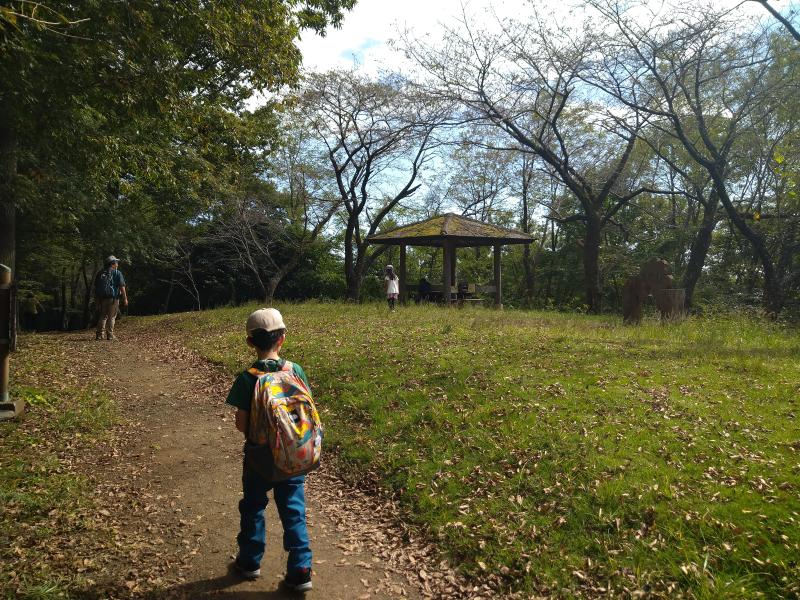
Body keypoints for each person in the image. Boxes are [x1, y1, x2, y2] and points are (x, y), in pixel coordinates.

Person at [225, 308, 314, 592]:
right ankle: (301, 569)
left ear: (250, 342)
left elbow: (241, 423)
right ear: (282, 339)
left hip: (259, 457)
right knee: (293, 510)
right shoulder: (295, 371)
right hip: (292, 455)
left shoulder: (247, 378)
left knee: (253, 506)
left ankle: (250, 562)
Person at [95, 255, 128, 340]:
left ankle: (99, 335)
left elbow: (96, 287)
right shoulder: (117, 273)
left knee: (103, 316)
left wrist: (97, 301)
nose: (117, 264)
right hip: (113, 299)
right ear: (112, 264)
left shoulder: (100, 273)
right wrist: (125, 298)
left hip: (102, 298)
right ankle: (110, 335)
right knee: (112, 317)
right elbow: (122, 287)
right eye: (116, 262)